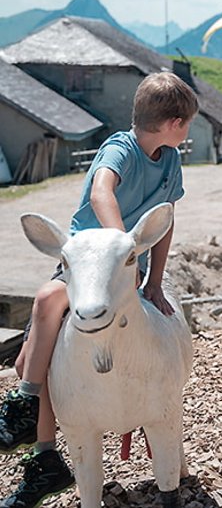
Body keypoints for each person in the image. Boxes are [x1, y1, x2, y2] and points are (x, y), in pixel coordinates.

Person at [0, 71, 198, 508]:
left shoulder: (170, 159)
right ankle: (29, 418)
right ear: (174, 122)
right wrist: (117, 245)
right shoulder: (120, 148)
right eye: (188, 125)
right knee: (47, 308)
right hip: (91, 263)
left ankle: (52, 450)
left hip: (125, 269)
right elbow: (100, 191)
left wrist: (154, 280)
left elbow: (165, 221)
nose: (188, 133)